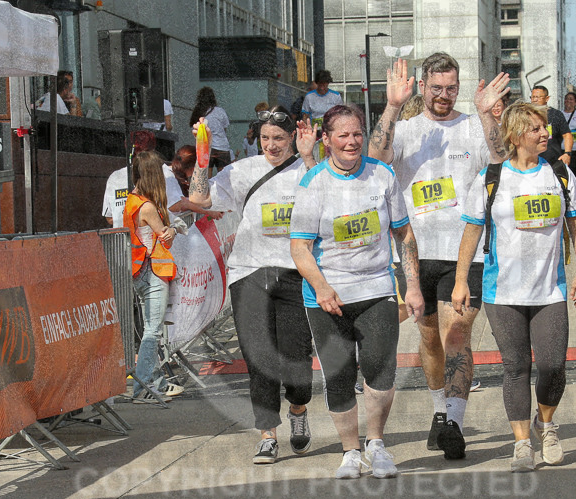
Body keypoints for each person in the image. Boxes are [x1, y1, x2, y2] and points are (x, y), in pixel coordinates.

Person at [366, 53, 506, 460]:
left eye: (452, 88)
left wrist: (487, 116)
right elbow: (375, 157)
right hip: (414, 252)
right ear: (423, 87)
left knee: (456, 333)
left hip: (465, 252)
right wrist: (392, 105)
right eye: (437, 88)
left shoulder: (472, 127)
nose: (445, 96)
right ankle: (440, 412)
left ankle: (456, 423)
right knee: (429, 339)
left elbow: (498, 157)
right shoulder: (408, 129)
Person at [452, 101, 576, 473]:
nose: (545, 133)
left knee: (552, 365)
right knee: (515, 367)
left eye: (544, 128)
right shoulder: (491, 177)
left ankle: (546, 425)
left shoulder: (559, 173)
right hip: (504, 292)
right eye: (536, 129)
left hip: (550, 290)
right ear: (515, 135)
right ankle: (521, 443)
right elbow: (471, 229)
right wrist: (462, 279)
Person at [289, 104, 424, 479]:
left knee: (381, 368)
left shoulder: (381, 175)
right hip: (327, 295)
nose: (352, 142)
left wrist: (412, 285)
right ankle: (350, 451)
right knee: (339, 373)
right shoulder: (313, 182)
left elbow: (403, 233)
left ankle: (377, 444)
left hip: (376, 287)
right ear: (327, 140)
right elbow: (299, 246)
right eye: (343, 135)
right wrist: (322, 287)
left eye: (357, 134)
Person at [188, 107, 319, 464]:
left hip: (295, 273)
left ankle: (298, 411)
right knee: (259, 359)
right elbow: (200, 201)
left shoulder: (308, 170)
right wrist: (202, 161)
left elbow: (327, 199)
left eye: (279, 138)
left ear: (292, 136)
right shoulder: (242, 171)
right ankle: (267, 435)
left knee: (296, 359)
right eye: (265, 138)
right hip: (248, 273)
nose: (272, 145)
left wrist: (309, 157)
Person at [124, 151, 179, 398]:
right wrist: (174, 230)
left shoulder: (132, 200)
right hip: (153, 270)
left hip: (139, 271)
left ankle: (155, 380)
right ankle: (143, 387)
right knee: (153, 331)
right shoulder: (147, 207)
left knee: (150, 328)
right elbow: (164, 238)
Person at [529, 85, 573, 167]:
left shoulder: (556, 114)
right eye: (532, 97)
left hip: (553, 162)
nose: (535, 100)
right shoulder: (525, 115)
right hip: (531, 162)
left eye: (538, 97)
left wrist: (567, 153)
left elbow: (567, 135)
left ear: (547, 98)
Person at [189, 87, 232, 171]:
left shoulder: (198, 112)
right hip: (222, 147)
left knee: (207, 178)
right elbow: (224, 129)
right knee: (224, 177)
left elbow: (194, 128)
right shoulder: (220, 111)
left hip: (206, 148)